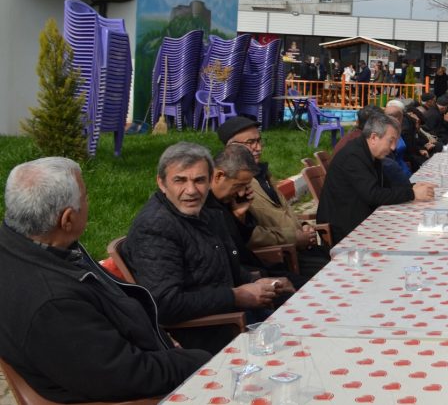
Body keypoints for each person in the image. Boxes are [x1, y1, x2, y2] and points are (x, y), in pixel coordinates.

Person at [0, 157, 210, 402]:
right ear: (67, 219)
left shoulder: (33, 246)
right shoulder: (53, 303)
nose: (88, 202)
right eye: (85, 197)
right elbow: (125, 375)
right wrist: (199, 360)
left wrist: (158, 335)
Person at [124, 143, 294, 353]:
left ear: (210, 179)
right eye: (180, 180)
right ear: (162, 183)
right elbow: (165, 304)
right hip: (211, 335)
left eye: (199, 180)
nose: (191, 190)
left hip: (238, 317)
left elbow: (227, 268)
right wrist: (235, 296)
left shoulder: (205, 212)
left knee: (306, 316)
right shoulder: (156, 227)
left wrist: (258, 282)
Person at [216, 117, 326, 276]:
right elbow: (252, 235)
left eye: (259, 141)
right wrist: (295, 237)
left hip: (300, 248)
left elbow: (284, 211)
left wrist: (302, 226)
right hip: (280, 256)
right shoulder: (237, 186)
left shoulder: (263, 174)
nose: (258, 147)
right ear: (231, 148)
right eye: (250, 143)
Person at [317, 110, 435, 243]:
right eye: (391, 141)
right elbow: (373, 194)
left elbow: (385, 186)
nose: (394, 147)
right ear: (373, 137)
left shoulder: (370, 152)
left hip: (362, 217)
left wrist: (413, 187)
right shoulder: (353, 156)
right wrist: (412, 193)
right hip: (345, 228)